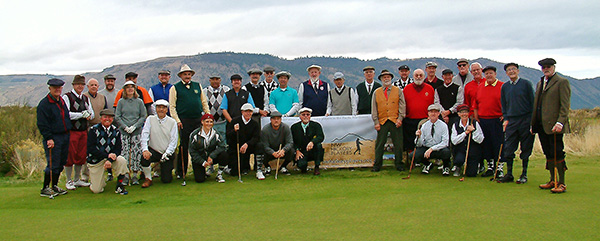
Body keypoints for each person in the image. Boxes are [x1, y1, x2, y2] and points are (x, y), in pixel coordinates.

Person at [532, 58, 571, 194]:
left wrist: (560, 122)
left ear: (553, 67)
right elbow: (537, 105)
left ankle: (561, 182)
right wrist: (534, 124)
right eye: (543, 67)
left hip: (555, 125)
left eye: (548, 67)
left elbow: (565, 105)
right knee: (548, 153)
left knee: (558, 153)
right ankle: (552, 180)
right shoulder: (540, 83)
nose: (546, 69)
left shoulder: (562, 82)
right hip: (542, 125)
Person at [168, 64, 210, 179]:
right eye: (185, 74)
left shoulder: (197, 86)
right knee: (184, 147)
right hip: (183, 121)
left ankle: (200, 171)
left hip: (197, 119)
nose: (187, 76)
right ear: (181, 76)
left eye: (189, 74)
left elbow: (203, 102)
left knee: (200, 146)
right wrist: (177, 120)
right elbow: (172, 106)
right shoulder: (175, 88)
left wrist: (208, 116)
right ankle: (181, 172)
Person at [497, 63, 535, 184]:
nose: (511, 71)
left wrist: (532, 121)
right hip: (512, 121)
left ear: (518, 71)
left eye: (513, 69)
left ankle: (524, 174)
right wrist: (506, 118)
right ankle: (509, 174)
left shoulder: (526, 84)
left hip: (525, 119)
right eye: (509, 70)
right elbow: (504, 104)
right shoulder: (505, 87)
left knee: (525, 148)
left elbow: (533, 102)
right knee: (509, 148)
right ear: (506, 73)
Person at [37, 78, 71, 197]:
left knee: (61, 162)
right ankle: (45, 187)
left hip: (65, 135)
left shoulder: (61, 101)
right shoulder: (44, 104)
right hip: (53, 137)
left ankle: (54, 185)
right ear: (50, 88)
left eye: (59, 87)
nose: (57, 89)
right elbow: (42, 124)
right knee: (53, 163)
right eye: (54, 87)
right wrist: (48, 138)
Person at [86, 109, 129, 195]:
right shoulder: (93, 130)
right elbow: (91, 149)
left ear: (112, 119)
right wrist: (106, 156)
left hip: (110, 159)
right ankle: (98, 181)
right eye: (105, 117)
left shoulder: (116, 131)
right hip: (96, 160)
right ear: (101, 118)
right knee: (97, 190)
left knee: (122, 160)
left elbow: (118, 148)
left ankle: (120, 185)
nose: (107, 119)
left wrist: (110, 159)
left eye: (110, 117)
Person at [370, 70, 406, 172]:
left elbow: (402, 105)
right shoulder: (376, 92)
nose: (386, 79)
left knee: (398, 144)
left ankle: (399, 164)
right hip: (382, 121)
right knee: (380, 144)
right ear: (381, 79)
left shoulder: (398, 90)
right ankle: (377, 165)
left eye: (388, 77)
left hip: (395, 120)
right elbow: (374, 108)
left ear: (391, 78)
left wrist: (400, 118)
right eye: (384, 77)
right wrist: (376, 122)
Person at [62, 75, 93, 190]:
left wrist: (88, 115)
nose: (80, 86)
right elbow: (66, 114)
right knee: (70, 155)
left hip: (83, 131)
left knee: (81, 155)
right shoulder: (67, 97)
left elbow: (91, 112)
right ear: (73, 85)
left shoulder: (85, 98)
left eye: (82, 84)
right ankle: (68, 180)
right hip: (72, 131)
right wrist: (81, 115)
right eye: (78, 84)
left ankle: (77, 179)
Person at [474, 66, 504, 178]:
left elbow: (507, 102)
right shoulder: (481, 86)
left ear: (495, 74)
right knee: (487, 145)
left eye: (491, 73)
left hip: (497, 120)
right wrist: (477, 118)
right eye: (486, 74)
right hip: (483, 120)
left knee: (498, 144)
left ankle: (499, 168)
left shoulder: (502, 86)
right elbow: (476, 104)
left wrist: (504, 115)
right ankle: (490, 167)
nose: (489, 75)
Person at [115, 80, 147, 185]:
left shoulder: (139, 101)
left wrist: (135, 126)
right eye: (127, 87)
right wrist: (125, 127)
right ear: (124, 89)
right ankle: (124, 175)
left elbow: (143, 116)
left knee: (136, 153)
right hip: (124, 131)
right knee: (124, 154)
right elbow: (117, 116)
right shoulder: (121, 102)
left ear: (135, 89)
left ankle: (134, 175)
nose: (130, 89)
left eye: (132, 87)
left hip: (136, 131)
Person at [140, 100, 177, 187]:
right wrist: (145, 149)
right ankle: (148, 178)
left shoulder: (172, 122)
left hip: (167, 153)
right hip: (154, 151)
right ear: (156, 109)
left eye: (163, 108)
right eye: (159, 107)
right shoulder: (150, 119)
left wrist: (167, 153)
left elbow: (174, 140)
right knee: (144, 158)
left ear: (166, 110)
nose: (161, 110)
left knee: (166, 180)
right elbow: (144, 135)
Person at [410, 104, 452, 175]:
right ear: (428, 113)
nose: (433, 114)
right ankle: (428, 164)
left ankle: (446, 166)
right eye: (431, 112)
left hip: (439, 148)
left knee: (446, 152)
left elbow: (445, 142)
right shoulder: (424, 125)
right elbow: (419, 144)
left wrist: (432, 149)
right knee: (413, 155)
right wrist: (418, 137)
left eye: (435, 112)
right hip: (427, 148)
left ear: (439, 113)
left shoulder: (443, 126)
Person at [189, 114, 229, 183]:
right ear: (202, 122)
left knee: (224, 154)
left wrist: (211, 156)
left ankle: (219, 174)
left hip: (211, 158)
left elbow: (222, 146)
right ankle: (204, 171)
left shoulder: (216, 133)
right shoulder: (195, 135)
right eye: (207, 121)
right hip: (200, 159)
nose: (209, 124)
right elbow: (192, 151)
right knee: (200, 180)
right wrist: (202, 162)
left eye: (211, 122)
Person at [403, 69, 435, 154]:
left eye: (420, 75)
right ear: (413, 77)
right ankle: (411, 158)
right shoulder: (407, 89)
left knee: (424, 140)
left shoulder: (430, 89)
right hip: (410, 119)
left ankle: (424, 158)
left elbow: (433, 104)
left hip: (425, 120)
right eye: (416, 75)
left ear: (424, 77)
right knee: (410, 141)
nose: (418, 77)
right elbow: (403, 104)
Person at [83, 78, 108, 182]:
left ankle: (102, 176)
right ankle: (85, 176)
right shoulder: (84, 97)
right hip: (88, 128)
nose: (93, 87)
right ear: (88, 86)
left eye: (95, 85)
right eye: (91, 85)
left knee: (102, 151)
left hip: (101, 128)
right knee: (87, 152)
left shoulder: (102, 97)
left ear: (98, 87)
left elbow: (105, 112)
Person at [226, 103, 261, 176]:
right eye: (246, 111)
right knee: (235, 172)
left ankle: (258, 168)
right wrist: (234, 131)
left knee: (259, 146)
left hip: (248, 146)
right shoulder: (235, 121)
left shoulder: (255, 124)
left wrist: (247, 144)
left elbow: (256, 137)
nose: (248, 113)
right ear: (242, 112)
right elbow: (228, 135)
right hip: (236, 147)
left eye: (250, 111)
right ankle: (230, 167)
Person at [450, 104, 484, 177]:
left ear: (468, 114)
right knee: (458, 160)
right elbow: (454, 141)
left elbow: (480, 139)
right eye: (462, 112)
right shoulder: (455, 125)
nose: (464, 114)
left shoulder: (475, 123)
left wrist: (473, 131)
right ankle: (458, 167)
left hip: (472, 150)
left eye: (466, 112)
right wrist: (465, 133)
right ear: (458, 114)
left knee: (471, 174)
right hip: (460, 150)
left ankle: (476, 165)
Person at [291, 108, 325, 175]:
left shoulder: (316, 125)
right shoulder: (294, 127)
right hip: (301, 151)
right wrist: (297, 151)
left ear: (310, 116)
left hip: (313, 150)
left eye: (307, 114)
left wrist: (312, 142)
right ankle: (303, 168)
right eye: (303, 115)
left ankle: (317, 167)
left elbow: (321, 136)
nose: (305, 116)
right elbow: (291, 141)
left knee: (319, 146)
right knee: (301, 165)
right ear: (300, 116)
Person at [261, 111, 294, 176]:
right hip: (270, 151)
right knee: (261, 149)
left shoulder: (285, 128)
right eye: (274, 119)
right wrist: (273, 152)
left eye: (278, 119)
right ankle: (267, 167)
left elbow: (290, 142)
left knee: (291, 151)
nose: (276, 121)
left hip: (281, 150)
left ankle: (283, 167)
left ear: (281, 120)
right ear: (270, 120)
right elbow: (265, 145)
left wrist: (283, 150)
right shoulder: (265, 129)